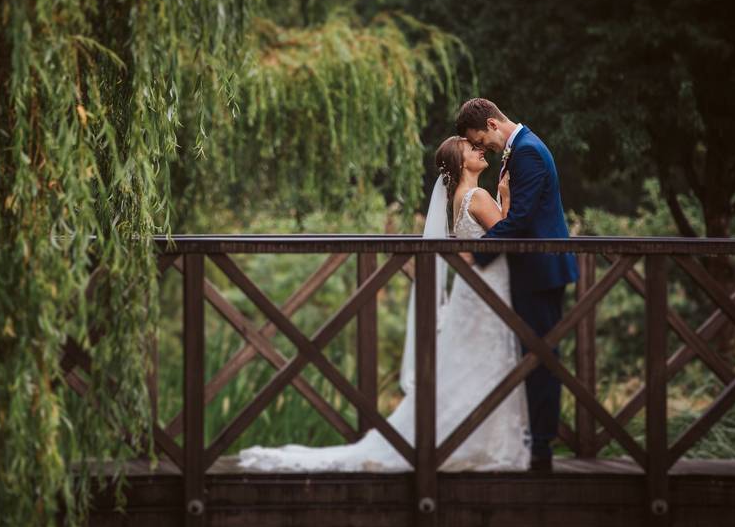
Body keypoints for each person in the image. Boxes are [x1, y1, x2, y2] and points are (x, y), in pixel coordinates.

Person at [237, 136, 531, 472]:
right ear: (460, 162)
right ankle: (476, 441)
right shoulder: (478, 196)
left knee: (469, 367)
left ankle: (463, 439)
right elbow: (508, 237)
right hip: (486, 291)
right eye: (471, 148)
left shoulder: (460, 200)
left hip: (471, 292)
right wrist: (506, 199)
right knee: (482, 366)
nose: (480, 150)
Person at [455, 97, 578, 472]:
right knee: (534, 356)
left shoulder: (527, 152)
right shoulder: (523, 149)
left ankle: (541, 448)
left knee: (541, 358)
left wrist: (477, 254)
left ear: (493, 124)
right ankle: (534, 441)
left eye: (481, 140)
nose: (484, 148)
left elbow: (521, 219)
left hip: (540, 271)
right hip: (533, 271)